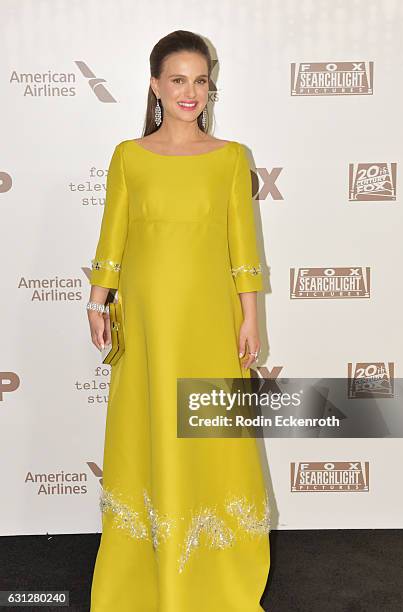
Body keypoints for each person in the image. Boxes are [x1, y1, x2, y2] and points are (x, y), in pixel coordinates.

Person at [86, 29, 271, 612]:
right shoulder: (128, 157)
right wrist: (98, 301)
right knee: (148, 430)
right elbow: (112, 235)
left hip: (209, 323)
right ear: (155, 86)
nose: (190, 92)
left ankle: (212, 569)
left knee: (210, 436)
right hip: (143, 326)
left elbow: (242, 248)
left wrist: (250, 319)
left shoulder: (231, 158)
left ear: (209, 86)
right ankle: (144, 571)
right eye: (177, 80)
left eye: (200, 80)